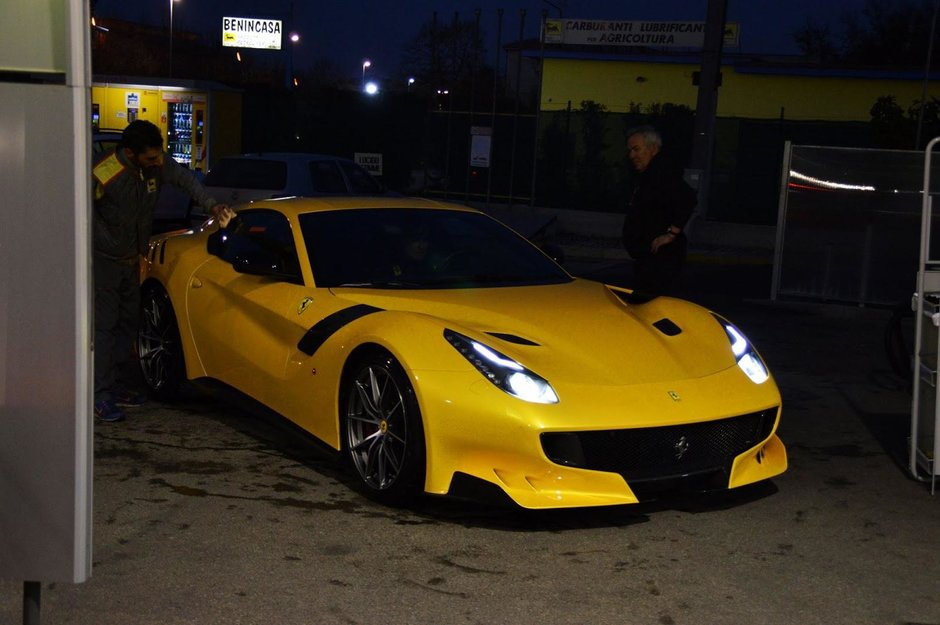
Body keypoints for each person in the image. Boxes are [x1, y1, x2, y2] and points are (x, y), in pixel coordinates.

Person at [92, 120, 228, 422]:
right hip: (105, 261)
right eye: (152, 158)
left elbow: (185, 180)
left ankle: (114, 386)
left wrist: (212, 206)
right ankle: (99, 395)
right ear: (130, 152)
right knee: (105, 325)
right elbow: (80, 209)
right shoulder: (104, 171)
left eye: (159, 156)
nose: (158, 163)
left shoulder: (155, 166)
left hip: (132, 259)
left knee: (128, 322)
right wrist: (100, 240)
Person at [620, 125, 697, 296]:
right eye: (630, 150)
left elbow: (688, 198)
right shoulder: (650, 175)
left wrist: (671, 234)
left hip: (660, 260)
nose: (632, 155)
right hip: (650, 259)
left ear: (653, 149)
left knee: (650, 307)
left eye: (636, 149)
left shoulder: (662, 173)